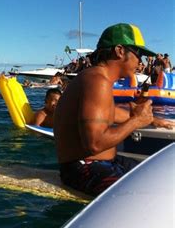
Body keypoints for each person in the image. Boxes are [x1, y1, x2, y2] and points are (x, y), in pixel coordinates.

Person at [54, 23, 174, 196]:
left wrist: (150, 119)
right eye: (137, 54)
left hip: (104, 163)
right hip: (83, 169)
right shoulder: (97, 80)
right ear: (119, 51)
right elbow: (94, 144)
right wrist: (136, 121)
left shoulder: (97, 78)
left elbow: (110, 113)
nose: (140, 61)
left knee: (161, 177)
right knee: (152, 196)